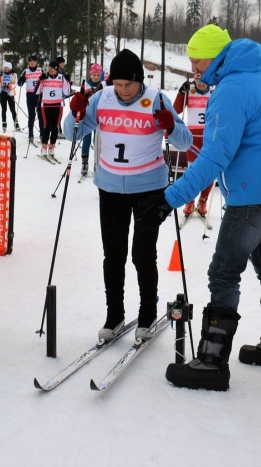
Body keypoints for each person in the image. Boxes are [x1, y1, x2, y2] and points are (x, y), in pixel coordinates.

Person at [135, 24, 261, 392]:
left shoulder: (231, 90)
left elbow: (215, 156)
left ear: (215, 55)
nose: (194, 69)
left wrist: (169, 199)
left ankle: (211, 361)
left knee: (224, 271)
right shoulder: (260, 75)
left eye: (197, 61)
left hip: (251, 194)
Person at [65, 48, 192, 345]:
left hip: (149, 188)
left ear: (140, 81)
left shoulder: (157, 100)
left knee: (143, 254)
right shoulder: (102, 98)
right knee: (114, 255)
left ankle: (147, 313)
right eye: (118, 84)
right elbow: (72, 134)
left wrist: (170, 126)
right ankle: (115, 315)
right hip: (110, 187)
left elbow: (184, 142)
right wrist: (75, 112)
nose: (122, 91)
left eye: (129, 85)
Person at [172, 74, 215, 218]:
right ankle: (190, 200)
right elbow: (176, 110)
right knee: (192, 171)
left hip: (210, 136)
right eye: (198, 80)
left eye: (204, 81)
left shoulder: (214, 91)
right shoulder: (189, 90)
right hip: (193, 138)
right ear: (194, 79)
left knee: (209, 170)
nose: (201, 84)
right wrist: (181, 93)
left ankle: (203, 200)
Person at [34, 60, 71, 161]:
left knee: (55, 126)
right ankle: (44, 146)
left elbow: (67, 93)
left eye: (52, 67)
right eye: (49, 67)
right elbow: (36, 91)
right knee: (47, 126)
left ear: (56, 69)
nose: (49, 69)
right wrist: (40, 80)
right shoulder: (44, 77)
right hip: (46, 105)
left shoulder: (61, 77)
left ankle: (52, 147)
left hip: (58, 105)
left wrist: (67, 82)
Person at [78, 63, 105, 178]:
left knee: (97, 141)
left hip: (99, 116)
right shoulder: (86, 84)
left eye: (98, 75)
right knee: (87, 140)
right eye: (94, 74)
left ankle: (96, 163)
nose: (96, 77)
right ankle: (84, 163)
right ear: (91, 74)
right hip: (88, 116)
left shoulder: (103, 85)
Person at [18, 55, 43, 144]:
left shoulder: (40, 70)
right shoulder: (26, 71)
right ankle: (31, 135)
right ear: (28, 62)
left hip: (39, 95)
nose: (32, 62)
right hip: (30, 95)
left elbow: (46, 80)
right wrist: (21, 79)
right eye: (30, 61)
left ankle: (42, 134)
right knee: (31, 115)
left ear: (36, 62)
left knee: (41, 116)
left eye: (34, 61)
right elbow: (19, 84)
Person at [0, 61, 20, 133]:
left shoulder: (14, 74)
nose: (5, 69)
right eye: (4, 67)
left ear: (10, 68)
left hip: (10, 94)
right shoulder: (2, 74)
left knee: (12, 110)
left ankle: (16, 124)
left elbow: (15, 84)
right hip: (2, 94)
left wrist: (9, 86)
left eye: (6, 67)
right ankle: (4, 124)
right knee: (4, 109)